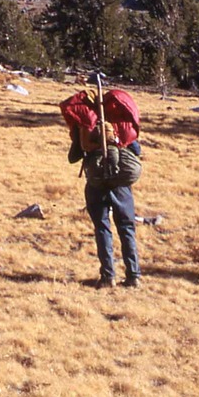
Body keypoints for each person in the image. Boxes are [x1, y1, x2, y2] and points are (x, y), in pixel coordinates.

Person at [61, 81, 142, 287]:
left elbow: (73, 157)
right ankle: (133, 276)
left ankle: (108, 277)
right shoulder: (118, 123)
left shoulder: (85, 124)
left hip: (96, 182)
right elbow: (137, 150)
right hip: (120, 184)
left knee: (102, 228)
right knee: (126, 228)